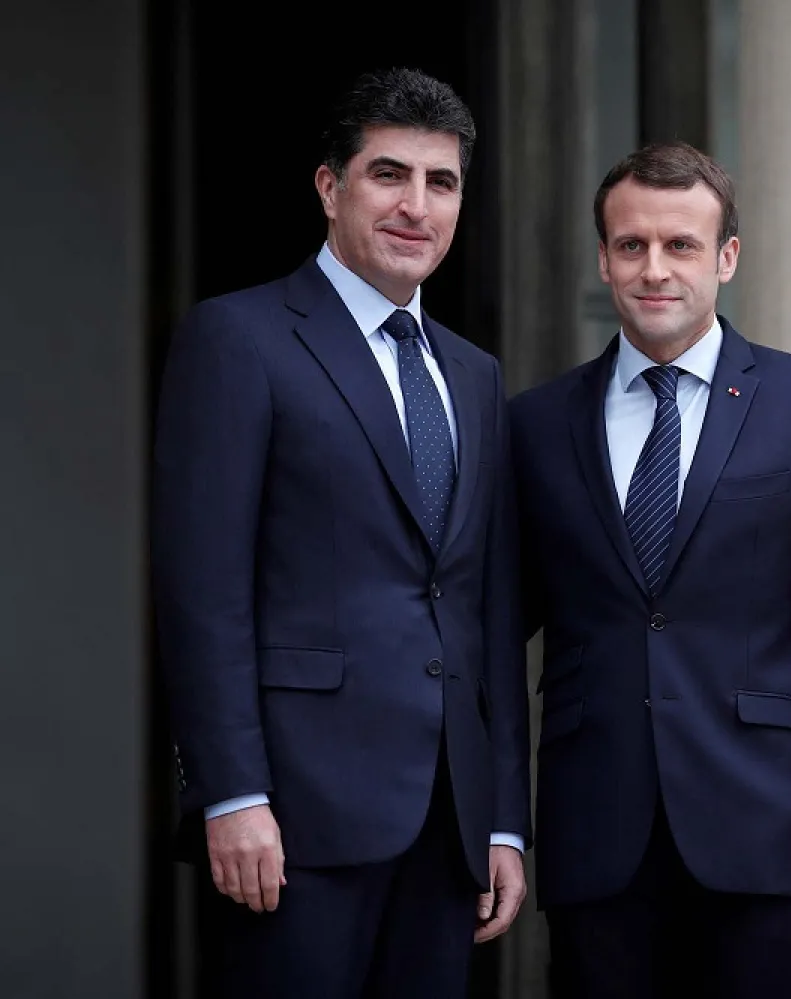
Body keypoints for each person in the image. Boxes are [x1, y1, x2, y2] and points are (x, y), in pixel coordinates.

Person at [151, 67, 530, 998]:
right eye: (388, 175)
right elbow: (203, 590)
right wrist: (233, 794)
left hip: (448, 826)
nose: (416, 206)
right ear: (330, 187)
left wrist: (504, 821)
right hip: (294, 817)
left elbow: (482, 609)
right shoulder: (239, 339)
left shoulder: (474, 374)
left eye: (440, 183)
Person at [508, 141, 791, 998]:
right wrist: (502, 825)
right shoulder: (536, 424)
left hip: (769, 832)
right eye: (632, 245)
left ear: (726, 257)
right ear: (603, 258)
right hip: (596, 838)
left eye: (681, 245)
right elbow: (494, 636)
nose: (655, 269)